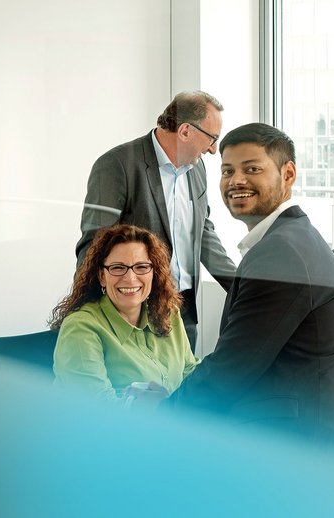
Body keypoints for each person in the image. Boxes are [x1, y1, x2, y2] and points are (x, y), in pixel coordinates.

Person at [164, 123, 334, 450]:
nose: (235, 181)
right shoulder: (293, 239)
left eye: (252, 169)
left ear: (288, 174)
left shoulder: (281, 252)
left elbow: (231, 370)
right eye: (227, 171)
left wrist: (160, 417)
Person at [75, 91, 237, 352]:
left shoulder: (197, 169)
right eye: (212, 138)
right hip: (134, 309)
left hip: (182, 308)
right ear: (185, 131)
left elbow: (203, 232)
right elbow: (95, 244)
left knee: (184, 388)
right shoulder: (117, 164)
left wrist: (240, 286)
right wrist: (89, 313)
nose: (212, 149)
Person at [51, 224, 199, 402]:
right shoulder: (80, 328)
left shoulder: (168, 313)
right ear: (102, 276)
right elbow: (98, 410)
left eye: (141, 267)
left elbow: (190, 373)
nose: (130, 278)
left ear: (154, 272)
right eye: (118, 268)